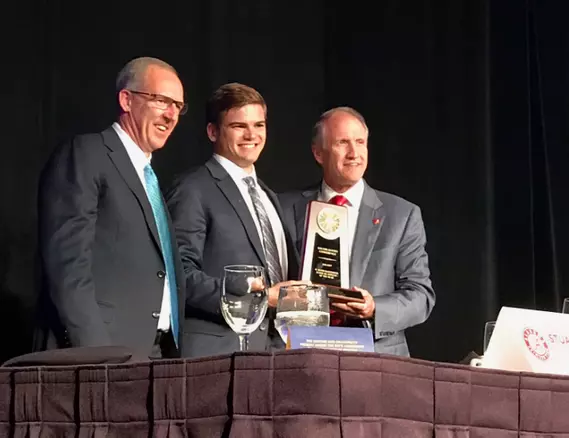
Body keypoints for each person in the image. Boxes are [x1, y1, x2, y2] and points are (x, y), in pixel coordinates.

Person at [35, 56, 186, 359]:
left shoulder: (150, 179)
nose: (171, 115)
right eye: (160, 100)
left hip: (156, 355)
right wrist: (98, 355)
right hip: (103, 355)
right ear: (126, 100)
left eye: (178, 106)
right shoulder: (88, 153)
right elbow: (68, 265)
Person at [278, 107, 436, 356]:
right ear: (318, 153)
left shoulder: (402, 215)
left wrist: (375, 308)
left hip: (376, 359)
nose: (354, 153)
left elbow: (420, 296)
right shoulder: (284, 209)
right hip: (302, 354)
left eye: (360, 142)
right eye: (342, 142)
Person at [165, 82, 301, 357]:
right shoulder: (193, 188)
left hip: (276, 352)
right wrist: (261, 298)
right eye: (239, 126)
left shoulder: (268, 196)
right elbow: (181, 277)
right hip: (218, 353)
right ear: (213, 131)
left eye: (259, 125)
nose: (252, 134)